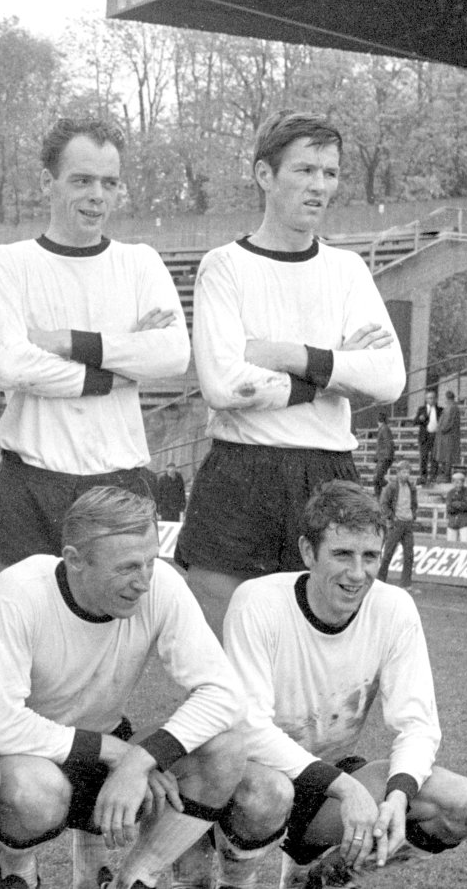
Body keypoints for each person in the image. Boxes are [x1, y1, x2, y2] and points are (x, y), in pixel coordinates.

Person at [176, 109, 405, 634]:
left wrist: (286, 354)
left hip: (328, 470)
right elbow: (224, 384)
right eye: (304, 170)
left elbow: (389, 379)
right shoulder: (225, 266)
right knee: (231, 650)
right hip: (242, 470)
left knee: (322, 648)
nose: (319, 185)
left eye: (330, 173)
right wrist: (334, 370)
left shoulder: (347, 270)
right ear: (265, 174)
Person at [0, 486, 260, 889]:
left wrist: (142, 758)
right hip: (27, 758)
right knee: (35, 790)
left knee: (225, 749)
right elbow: (0, 724)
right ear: (75, 560)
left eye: (150, 561)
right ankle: (16, 870)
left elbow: (225, 694)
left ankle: (136, 878)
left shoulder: (161, 584)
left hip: (108, 745)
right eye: (127, 567)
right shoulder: (19, 590)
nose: (143, 582)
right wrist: (119, 753)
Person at [219, 480, 467, 888]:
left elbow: (418, 724)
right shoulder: (258, 602)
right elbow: (248, 728)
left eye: (370, 556)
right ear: (309, 552)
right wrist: (345, 788)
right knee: (268, 792)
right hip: (242, 782)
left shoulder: (394, 609)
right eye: (342, 554)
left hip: (324, 787)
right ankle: (233, 881)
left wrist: (397, 796)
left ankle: (319, 877)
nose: (357, 573)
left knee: (459, 804)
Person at [0, 118, 188, 573]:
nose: (98, 195)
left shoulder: (140, 262)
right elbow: (11, 364)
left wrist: (65, 342)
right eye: (82, 180)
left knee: (122, 614)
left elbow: (172, 354)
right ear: (47, 182)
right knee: (18, 611)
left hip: (119, 480)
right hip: (30, 479)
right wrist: (118, 368)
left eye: (109, 182)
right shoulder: (8, 263)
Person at [377, 460, 418, 589]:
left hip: (408, 523)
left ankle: (406, 584)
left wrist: (413, 515)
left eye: (408, 472)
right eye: (404, 472)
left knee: (409, 555)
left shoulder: (412, 488)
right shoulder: (391, 487)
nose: (406, 475)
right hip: (396, 523)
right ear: (398, 473)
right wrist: (391, 517)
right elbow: (383, 504)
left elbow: (414, 504)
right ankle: (380, 581)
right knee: (388, 553)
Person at [434, 390, 461, 483]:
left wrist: (440, 429)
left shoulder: (452, 408)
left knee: (447, 457)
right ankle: (444, 475)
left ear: (447, 398)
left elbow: (448, 423)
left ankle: (446, 476)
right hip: (446, 436)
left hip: (448, 436)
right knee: (445, 457)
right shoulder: (450, 407)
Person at [412, 395, 440, 484]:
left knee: (434, 458)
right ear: (426, 399)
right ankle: (423, 477)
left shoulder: (440, 410)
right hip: (424, 437)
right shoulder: (421, 409)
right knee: (423, 457)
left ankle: (433, 477)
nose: (431, 400)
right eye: (429, 398)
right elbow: (414, 422)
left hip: (435, 437)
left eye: (433, 398)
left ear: (436, 399)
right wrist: (420, 419)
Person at [444, 470, 467, 542]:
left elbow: (466, 506)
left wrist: (455, 504)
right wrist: (459, 504)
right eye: (455, 482)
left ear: (463, 482)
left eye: (459, 482)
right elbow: (449, 508)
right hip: (452, 522)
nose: (457, 484)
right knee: (450, 544)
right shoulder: (450, 493)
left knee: (465, 542)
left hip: (465, 522)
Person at [372, 412, 395, 497]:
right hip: (382, 457)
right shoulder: (383, 428)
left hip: (384, 458)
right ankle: (379, 495)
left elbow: (388, 444)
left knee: (377, 477)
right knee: (377, 478)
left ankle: (389, 490)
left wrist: (386, 457)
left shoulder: (384, 429)